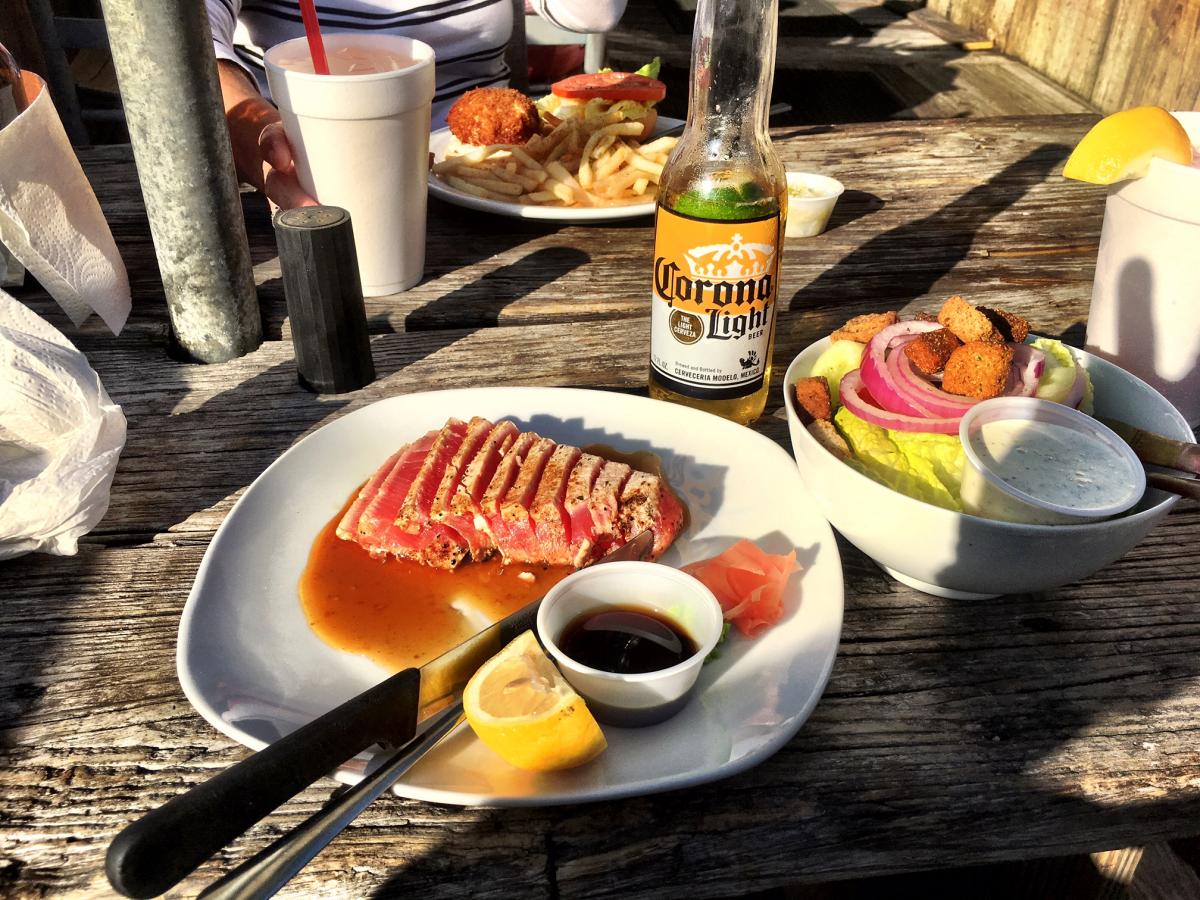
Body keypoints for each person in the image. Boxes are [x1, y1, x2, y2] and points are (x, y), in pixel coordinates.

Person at [207, 0, 626, 209]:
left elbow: (591, 12)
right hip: (313, 182)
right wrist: (256, 129)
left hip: (500, 183)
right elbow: (188, 42)